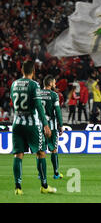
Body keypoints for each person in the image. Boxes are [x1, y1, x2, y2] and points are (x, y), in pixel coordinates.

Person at [10, 61, 56, 195]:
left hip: (17, 123)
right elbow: (38, 106)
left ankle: (18, 187)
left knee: (18, 154)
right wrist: (46, 125)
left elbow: (13, 102)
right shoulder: (34, 85)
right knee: (41, 153)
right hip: (32, 125)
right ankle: (44, 186)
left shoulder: (14, 84)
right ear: (33, 71)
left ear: (21, 70)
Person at [40, 75, 64, 179]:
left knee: (41, 151)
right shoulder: (54, 95)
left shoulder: (37, 93)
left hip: (40, 125)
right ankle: (56, 173)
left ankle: (40, 174)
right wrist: (61, 125)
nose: (55, 84)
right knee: (53, 149)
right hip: (51, 125)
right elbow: (58, 111)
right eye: (54, 82)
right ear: (50, 83)